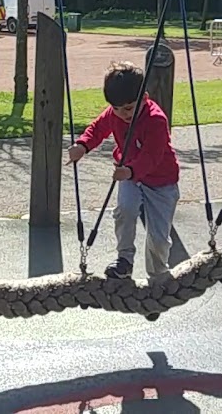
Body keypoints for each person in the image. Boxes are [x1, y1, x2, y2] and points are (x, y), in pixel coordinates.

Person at [68, 60, 180, 284]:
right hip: (129, 175)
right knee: (124, 211)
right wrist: (83, 146)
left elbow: (152, 156)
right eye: (117, 108)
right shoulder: (115, 113)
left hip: (160, 182)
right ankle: (124, 260)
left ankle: (158, 275)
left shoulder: (156, 120)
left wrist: (130, 171)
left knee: (158, 236)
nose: (122, 114)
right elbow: (97, 129)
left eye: (128, 108)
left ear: (145, 98)